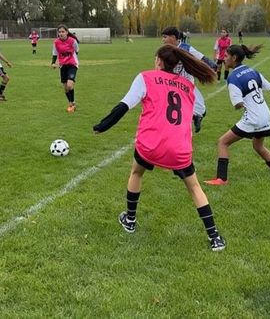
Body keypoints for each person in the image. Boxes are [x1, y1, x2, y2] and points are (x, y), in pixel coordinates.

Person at [93, 44, 225, 252]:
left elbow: (125, 105)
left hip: (150, 145)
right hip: (179, 149)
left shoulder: (146, 77)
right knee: (194, 187)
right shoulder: (187, 85)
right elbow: (195, 112)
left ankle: (130, 220)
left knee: (137, 172)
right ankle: (214, 237)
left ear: (160, 62)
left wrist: (103, 125)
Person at [204, 44, 270, 186]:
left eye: (226, 56)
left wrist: (241, 103)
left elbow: (238, 104)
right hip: (266, 116)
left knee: (223, 142)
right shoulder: (253, 71)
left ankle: (221, 179)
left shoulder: (233, 78)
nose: (224, 59)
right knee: (258, 146)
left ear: (234, 57)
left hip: (253, 119)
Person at [161, 27, 217, 133]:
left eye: (165, 37)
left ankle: (195, 118)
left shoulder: (186, 48)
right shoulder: (165, 51)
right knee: (175, 108)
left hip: (187, 85)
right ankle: (178, 130)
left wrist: (212, 65)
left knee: (200, 109)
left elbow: (202, 58)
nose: (162, 40)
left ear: (173, 37)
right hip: (171, 85)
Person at [50, 24, 79, 112]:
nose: (61, 33)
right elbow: (55, 53)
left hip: (72, 64)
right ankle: (71, 102)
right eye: (59, 32)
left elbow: (77, 51)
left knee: (70, 85)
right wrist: (53, 63)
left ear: (66, 32)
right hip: (62, 66)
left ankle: (72, 103)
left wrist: (71, 59)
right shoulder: (56, 42)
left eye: (63, 31)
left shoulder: (72, 41)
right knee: (66, 88)